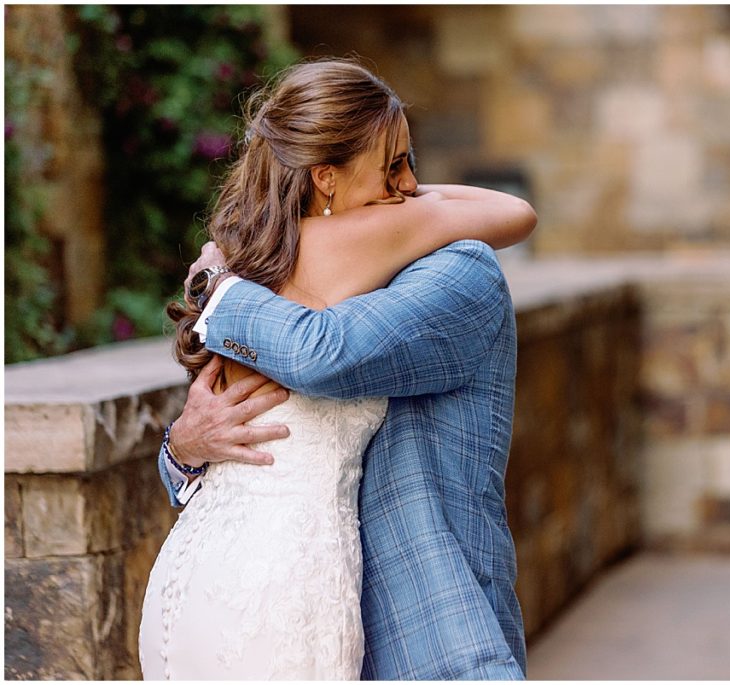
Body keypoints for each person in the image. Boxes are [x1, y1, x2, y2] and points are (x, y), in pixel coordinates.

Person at [138, 58, 534, 679]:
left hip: (390, 610)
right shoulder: (267, 276)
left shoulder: (447, 273)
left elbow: (321, 355)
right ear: (325, 177)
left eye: (412, 162)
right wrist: (182, 447)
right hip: (271, 589)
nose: (409, 185)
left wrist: (216, 287)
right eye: (393, 165)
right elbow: (233, 443)